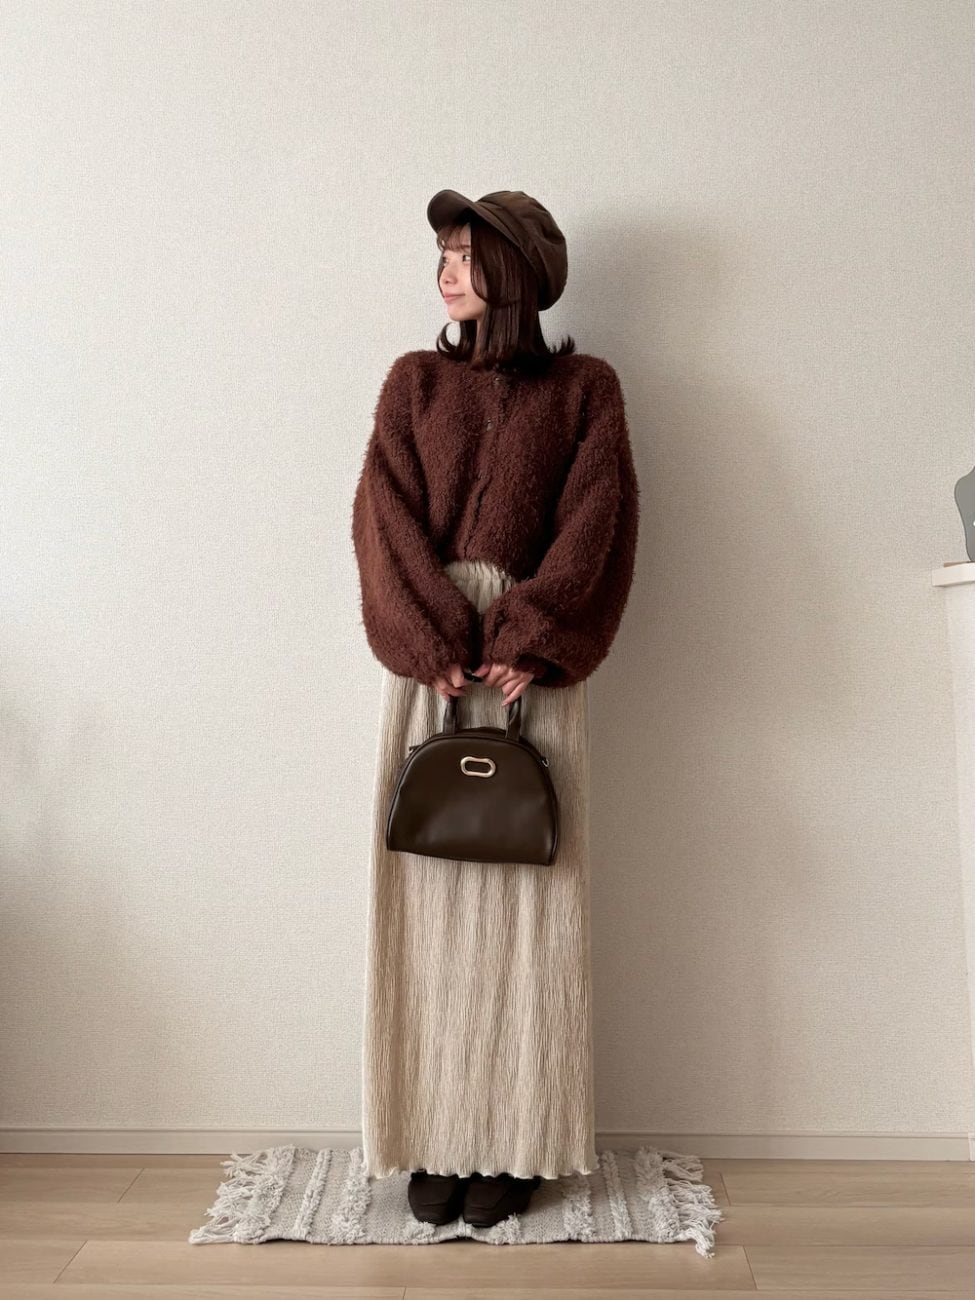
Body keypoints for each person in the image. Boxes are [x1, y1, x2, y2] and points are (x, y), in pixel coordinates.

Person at [351, 189, 640, 1229]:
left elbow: (600, 516)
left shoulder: (585, 388)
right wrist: (431, 637)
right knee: (425, 907)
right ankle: (431, 1133)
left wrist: (533, 636)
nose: (447, 270)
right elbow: (380, 514)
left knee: (531, 915)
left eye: (468, 254)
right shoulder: (412, 381)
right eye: (442, 251)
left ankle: (515, 1141)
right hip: (431, 664)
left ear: (517, 272)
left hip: (530, 671)